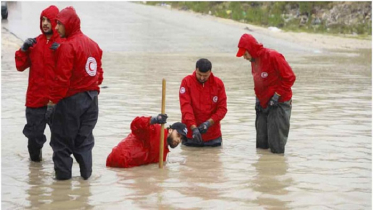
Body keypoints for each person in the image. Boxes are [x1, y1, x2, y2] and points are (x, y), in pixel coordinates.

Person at [49, 6, 104, 180]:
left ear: (69, 24)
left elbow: (61, 80)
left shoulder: (67, 46)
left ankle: (62, 192)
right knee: (85, 143)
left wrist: (52, 104)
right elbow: (99, 76)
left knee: (62, 145)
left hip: (71, 102)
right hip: (92, 101)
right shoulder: (94, 45)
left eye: (59, 23)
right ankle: (86, 185)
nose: (56, 28)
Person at [14, 5, 62, 162]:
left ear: (57, 22)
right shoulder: (34, 43)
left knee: (61, 140)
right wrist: (23, 49)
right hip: (35, 101)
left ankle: (61, 173)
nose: (45, 23)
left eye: (49, 20)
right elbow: (20, 66)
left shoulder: (64, 43)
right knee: (33, 138)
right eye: (43, 20)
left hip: (57, 102)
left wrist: (62, 51)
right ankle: (35, 171)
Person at [236, 33, 296, 154]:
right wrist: (258, 99)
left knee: (276, 146)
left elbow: (290, 78)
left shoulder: (273, 56)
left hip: (279, 103)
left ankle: (277, 168)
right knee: (261, 144)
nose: (244, 57)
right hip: (263, 103)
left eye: (245, 54)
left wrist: (276, 96)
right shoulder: (254, 61)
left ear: (251, 49)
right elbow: (259, 83)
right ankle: (263, 170)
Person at [106, 114, 187, 168]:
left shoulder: (164, 154)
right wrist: (153, 119)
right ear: (170, 130)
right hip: (118, 160)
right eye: (178, 135)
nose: (178, 140)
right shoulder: (156, 129)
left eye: (181, 139)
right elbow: (135, 125)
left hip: (128, 168)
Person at [179, 58, 227, 147]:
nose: (202, 78)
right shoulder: (186, 82)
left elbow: (222, 109)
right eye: (199, 74)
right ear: (196, 70)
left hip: (213, 137)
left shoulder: (218, 84)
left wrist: (208, 123)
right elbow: (185, 107)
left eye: (205, 75)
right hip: (191, 135)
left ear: (210, 72)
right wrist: (193, 128)